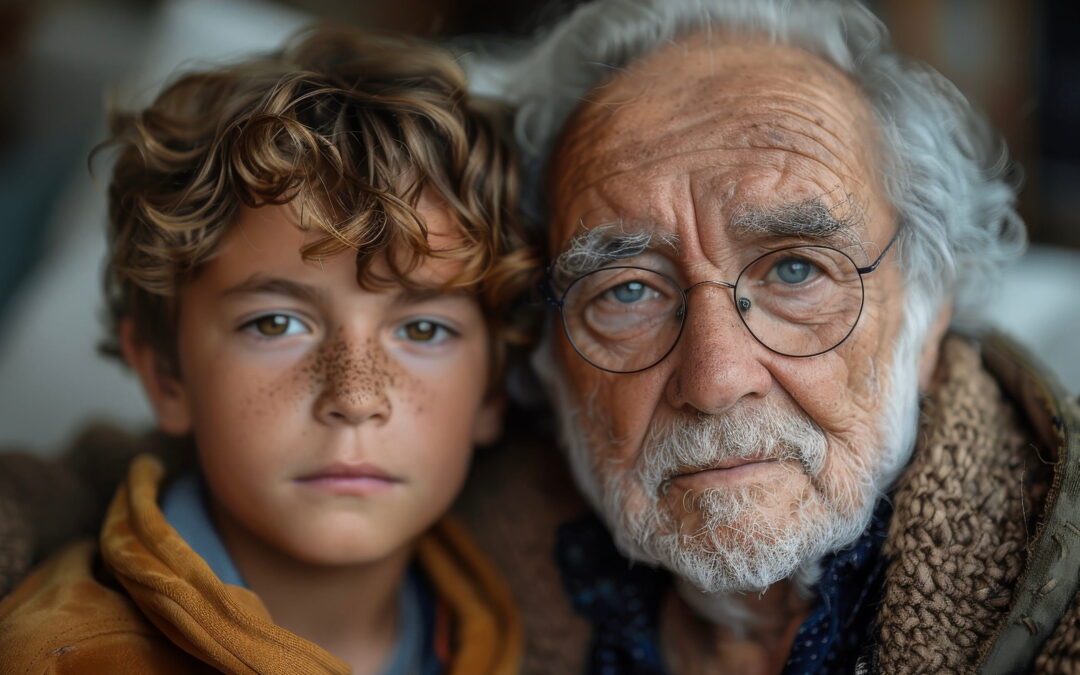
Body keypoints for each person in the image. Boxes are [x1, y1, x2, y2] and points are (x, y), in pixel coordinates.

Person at [456, 0, 1080, 672]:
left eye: (795, 268)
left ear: (928, 311)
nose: (716, 379)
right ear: (547, 353)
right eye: (627, 290)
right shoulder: (446, 600)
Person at [0, 26, 533, 674]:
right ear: (167, 374)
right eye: (276, 323)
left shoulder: (513, 628)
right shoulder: (69, 657)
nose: (354, 396)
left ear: (494, 386)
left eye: (423, 330)